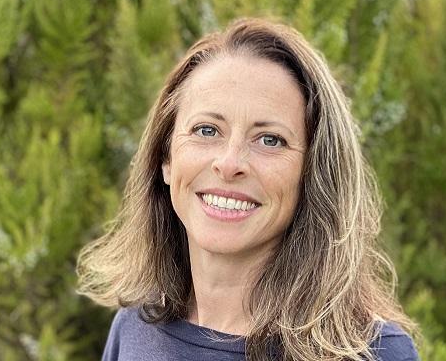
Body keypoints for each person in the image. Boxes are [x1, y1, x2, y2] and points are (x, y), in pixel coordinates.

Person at [77, 18, 419, 360]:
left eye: (270, 140)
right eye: (207, 130)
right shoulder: (136, 327)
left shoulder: (373, 353)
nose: (228, 164)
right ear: (165, 158)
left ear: (312, 174)